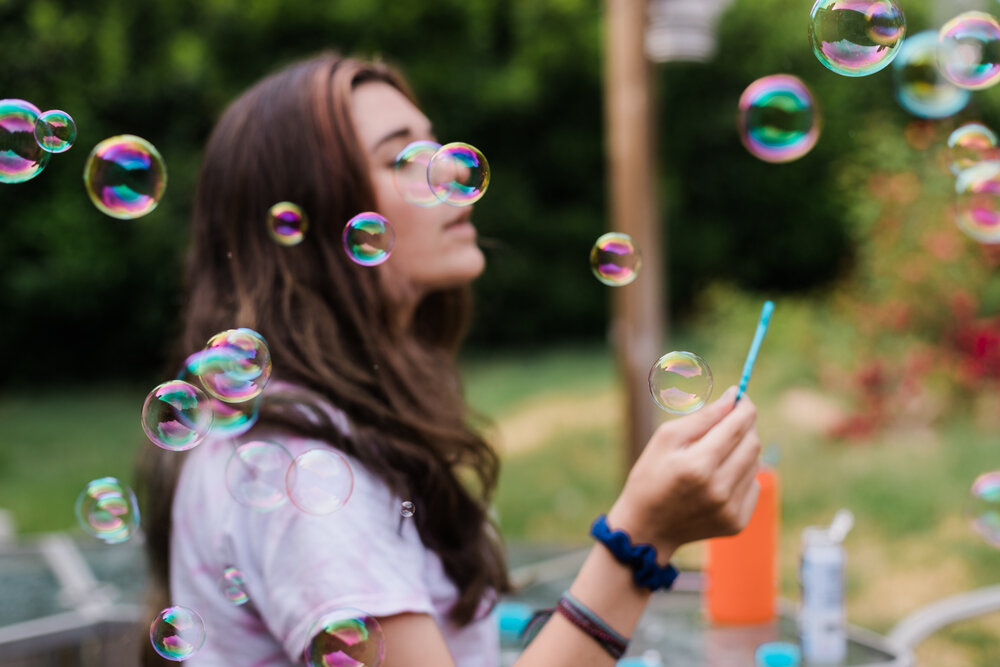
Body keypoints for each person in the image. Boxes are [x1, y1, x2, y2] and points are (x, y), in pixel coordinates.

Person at [137, 52, 761, 667]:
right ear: (305, 220)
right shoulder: (305, 475)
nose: (450, 172)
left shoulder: (317, 426)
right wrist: (640, 543)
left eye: (435, 148)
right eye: (400, 158)